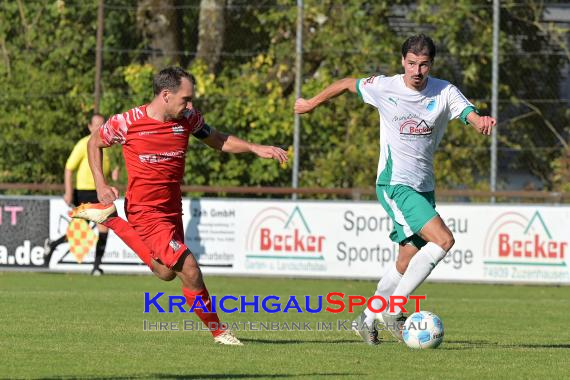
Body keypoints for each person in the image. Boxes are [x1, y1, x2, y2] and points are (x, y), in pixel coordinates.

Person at [295, 34, 496, 345]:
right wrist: (310, 103)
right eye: (412, 64)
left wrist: (479, 119)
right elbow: (348, 83)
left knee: (405, 261)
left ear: (431, 65)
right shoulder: (385, 86)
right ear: (403, 62)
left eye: (423, 65)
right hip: (395, 184)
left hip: (424, 187)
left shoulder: (444, 91)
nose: (417, 71)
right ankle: (395, 310)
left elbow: (466, 112)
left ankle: (367, 318)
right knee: (444, 240)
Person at [70, 66, 288, 345]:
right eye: (185, 98)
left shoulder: (187, 118)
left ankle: (111, 219)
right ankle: (220, 332)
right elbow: (94, 142)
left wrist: (255, 148)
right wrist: (100, 184)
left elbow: (217, 139)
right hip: (145, 211)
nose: (190, 104)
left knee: (165, 272)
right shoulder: (128, 122)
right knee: (190, 268)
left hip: (172, 208)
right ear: (165, 95)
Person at [44, 114, 118, 276]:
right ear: (89, 127)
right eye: (96, 125)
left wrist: (114, 172)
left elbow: (110, 168)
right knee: (80, 232)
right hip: (84, 191)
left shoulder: (107, 146)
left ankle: (96, 267)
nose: (99, 128)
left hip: (101, 192)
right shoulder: (83, 144)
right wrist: (69, 192)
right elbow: (69, 168)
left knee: (105, 228)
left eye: (102, 124)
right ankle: (54, 244)